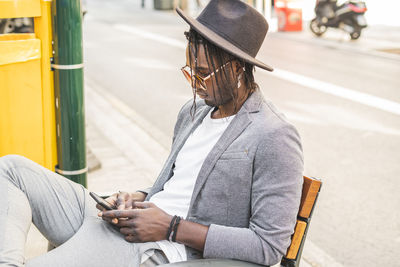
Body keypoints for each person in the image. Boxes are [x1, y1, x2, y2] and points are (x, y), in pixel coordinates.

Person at [0, 0, 303, 266]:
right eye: (189, 71)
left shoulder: (273, 135)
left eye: (202, 73)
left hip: (153, 247)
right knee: (11, 169)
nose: (194, 83)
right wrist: (136, 197)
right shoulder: (193, 112)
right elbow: (175, 185)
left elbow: (268, 246)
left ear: (236, 69)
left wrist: (170, 228)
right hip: (131, 223)